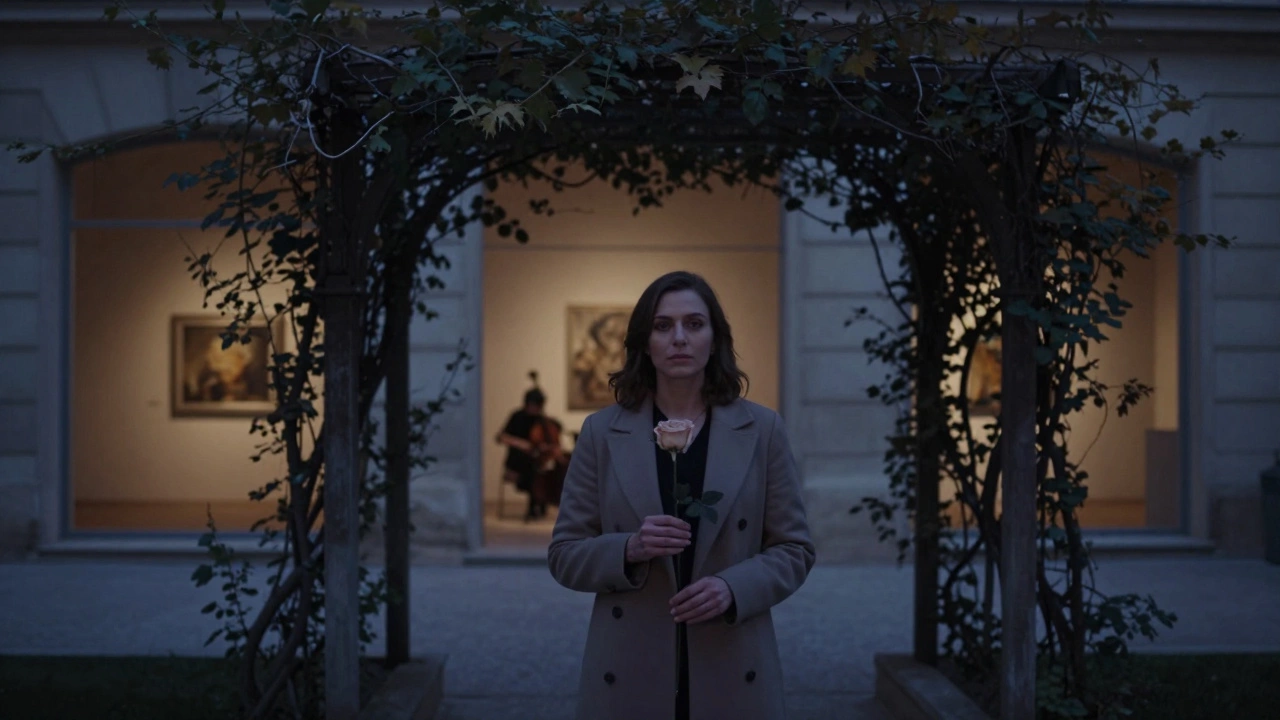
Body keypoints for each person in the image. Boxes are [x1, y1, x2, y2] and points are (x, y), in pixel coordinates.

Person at [548, 270, 816, 720]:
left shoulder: (762, 430)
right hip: (629, 664)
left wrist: (733, 587)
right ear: (644, 342)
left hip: (731, 658)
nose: (678, 338)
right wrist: (629, 548)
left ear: (715, 339)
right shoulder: (600, 432)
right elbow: (564, 554)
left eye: (694, 324)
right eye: (662, 325)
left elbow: (795, 549)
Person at [496, 387, 553, 521]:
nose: (536, 409)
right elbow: (500, 437)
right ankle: (534, 506)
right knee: (532, 468)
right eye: (534, 405)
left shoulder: (541, 419)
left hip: (536, 459)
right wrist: (521, 444)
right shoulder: (517, 416)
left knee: (541, 468)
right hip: (517, 459)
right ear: (527, 403)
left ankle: (540, 502)